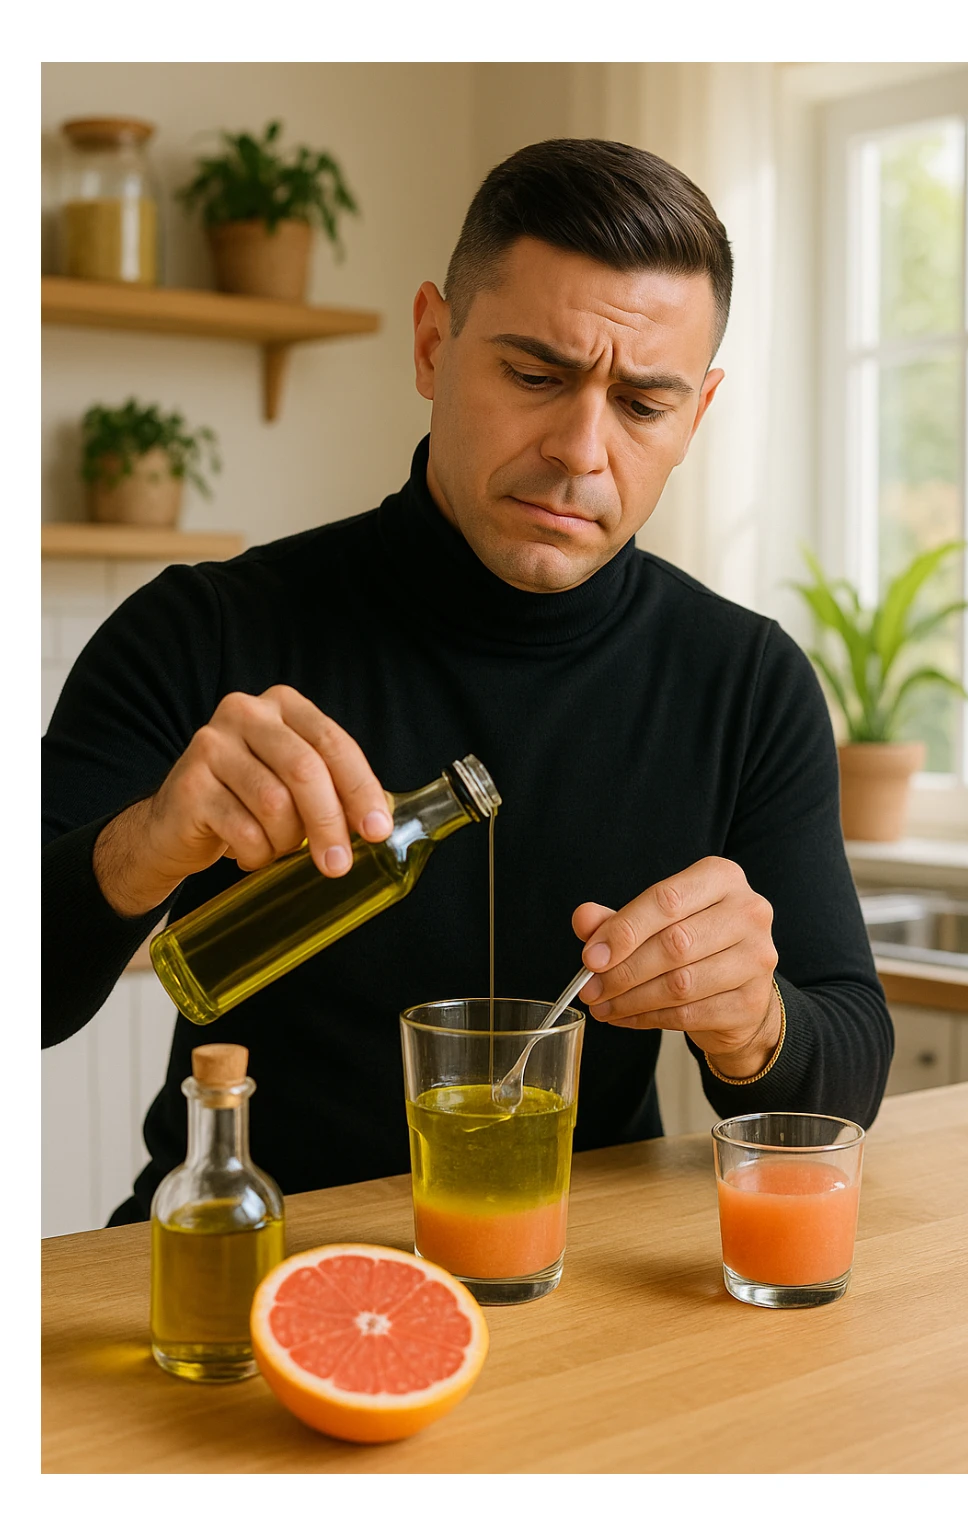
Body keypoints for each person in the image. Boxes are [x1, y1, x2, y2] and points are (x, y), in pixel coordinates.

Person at [42, 139, 893, 1225]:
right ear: (432, 342)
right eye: (535, 375)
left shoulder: (747, 680)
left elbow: (847, 1077)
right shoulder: (202, 630)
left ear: (698, 414)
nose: (581, 449)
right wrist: (144, 844)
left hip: (579, 1290)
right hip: (243, 1269)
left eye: (642, 405)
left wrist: (755, 1021)